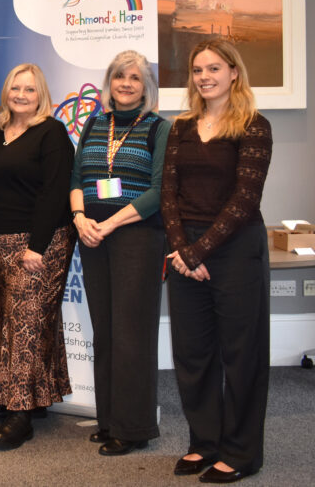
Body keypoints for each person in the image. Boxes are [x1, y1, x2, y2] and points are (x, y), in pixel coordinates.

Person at [161, 39, 272, 483]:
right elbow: (168, 193)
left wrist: (196, 252)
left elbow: (245, 200)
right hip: (185, 251)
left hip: (235, 251)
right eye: (197, 70)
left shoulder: (254, 126)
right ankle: (203, 442)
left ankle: (242, 453)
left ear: (233, 73)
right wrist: (181, 248)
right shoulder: (181, 126)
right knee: (192, 354)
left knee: (241, 355)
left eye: (213, 68)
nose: (204, 77)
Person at [69, 51, 169, 456]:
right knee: (106, 332)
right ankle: (110, 420)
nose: (126, 84)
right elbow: (77, 177)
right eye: (119, 77)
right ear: (109, 83)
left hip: (137, 238)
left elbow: (159, 191)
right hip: (91, 235)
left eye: (135, 78)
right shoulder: (95, 123)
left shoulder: (158, 128)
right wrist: (79, 218)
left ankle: (134, 428)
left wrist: (108, 224)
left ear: (146, 87)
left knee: (132, 335)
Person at [0, 63, 74, 451]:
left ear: (41, 96)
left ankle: (19, 414)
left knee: (26, 325)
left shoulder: (50, 133)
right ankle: (29, 398)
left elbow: (55, 192)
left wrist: (36, 245)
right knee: (8, 322)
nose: (21, 95)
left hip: (41, 243)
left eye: (30, 90)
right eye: (15, 88)